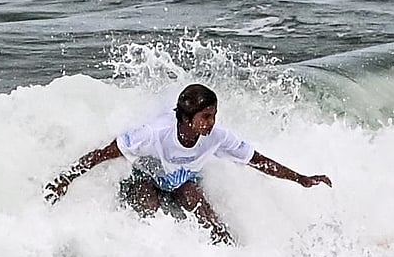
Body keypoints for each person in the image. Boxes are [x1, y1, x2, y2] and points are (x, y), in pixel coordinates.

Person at [44, 83, 332, 244]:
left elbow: (257, 161)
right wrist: (65, 180)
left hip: (180, 182)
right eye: (205, 117)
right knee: (149, 207)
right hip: (142, 179)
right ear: (186, 117)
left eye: (213, 115)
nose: (211, 123)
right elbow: (103, 154)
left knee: (211, 222)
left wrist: (301, 179)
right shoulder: (153, 134)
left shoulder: (217, 137)